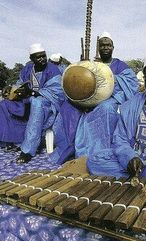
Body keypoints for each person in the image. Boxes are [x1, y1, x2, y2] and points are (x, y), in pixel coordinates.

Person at [51, 32, 139, 164]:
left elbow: (132, 85)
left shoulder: (120, 66)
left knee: (106, 107)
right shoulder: (90, 64)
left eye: (108, 45)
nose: (105, 48)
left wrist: (111, 78)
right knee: (68, 107)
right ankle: (68, 149)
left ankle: (99, 153)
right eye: (102, 45)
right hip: (87, 99)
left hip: (110, 99)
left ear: (113, 47)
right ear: (98, 48)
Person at [0, 43, 65, 163]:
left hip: (47, 103)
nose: (42, 59)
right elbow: (20, 83)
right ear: (32, 59)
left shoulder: (53, 69)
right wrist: (12, 89)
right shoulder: (28, 69)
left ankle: (28, 150)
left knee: (37, 102)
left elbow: (57, 92)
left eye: (43, 56)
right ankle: (9, 141)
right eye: (38, 57)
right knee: (4, 104)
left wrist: (33, 92)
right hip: (27, 100)